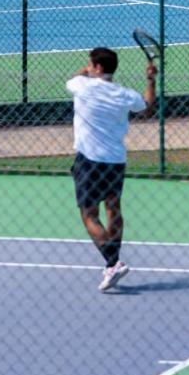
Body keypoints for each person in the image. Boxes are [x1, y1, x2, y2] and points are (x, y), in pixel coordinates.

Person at [66, 47, 156, 292]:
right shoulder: (124, 94)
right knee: (113, 208)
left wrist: (88, 70)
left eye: (90, 64)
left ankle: (113, 262)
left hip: (89, 160)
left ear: (97, 68)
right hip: (115, 161)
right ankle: (111, 265)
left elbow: (74, 78)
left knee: (89, 215)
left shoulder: (81, 86)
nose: (87, 66)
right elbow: (148, 106)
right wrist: (150, 79)